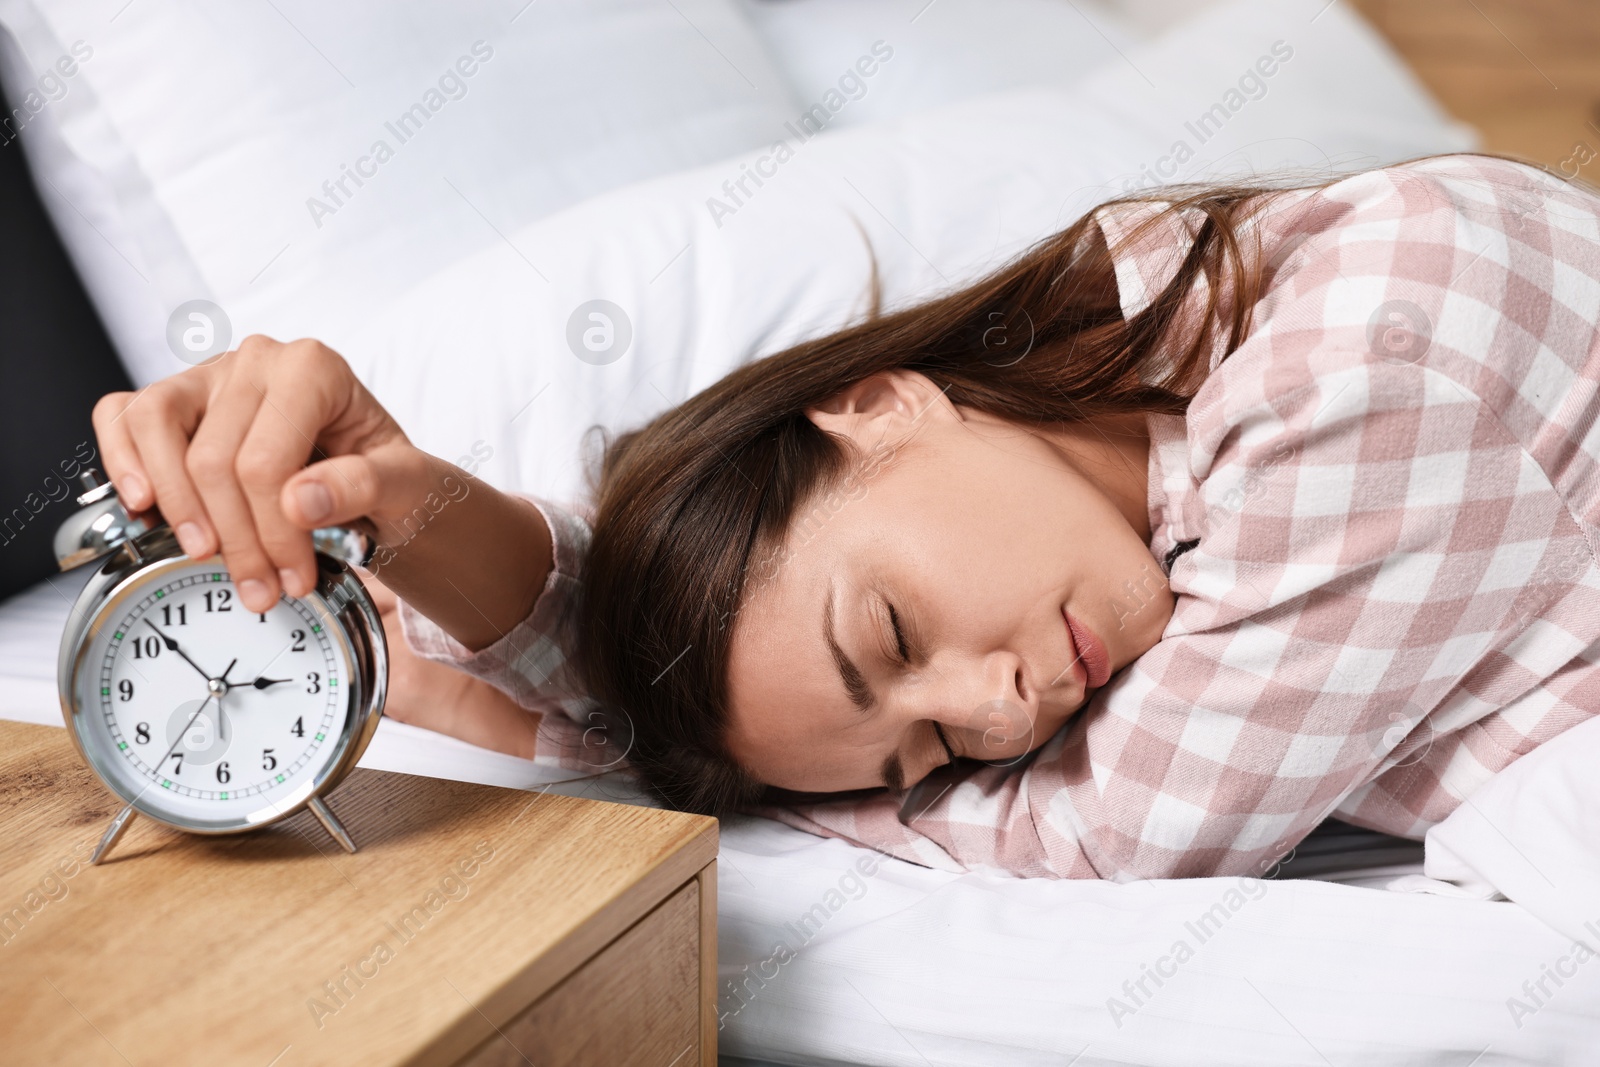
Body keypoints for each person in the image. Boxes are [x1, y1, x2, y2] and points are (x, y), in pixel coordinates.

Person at [91, 153, 1600, 879]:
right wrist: (420, 532)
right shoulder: (1182, 491)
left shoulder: (1364, 354)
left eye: (898, 630)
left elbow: (1105, 843)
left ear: (883, 406)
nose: (1005, 715)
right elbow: (742, 686)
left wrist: (547, 711)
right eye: (934, 757)